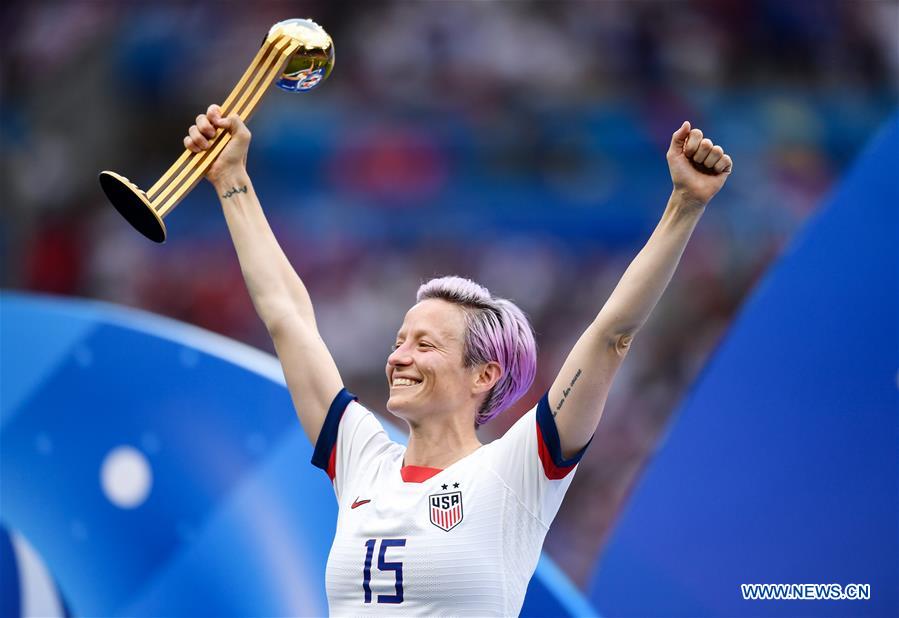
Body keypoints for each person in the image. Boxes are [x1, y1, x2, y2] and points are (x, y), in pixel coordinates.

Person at [184, 104, 732, 615]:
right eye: (400, 340)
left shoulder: (519, 469)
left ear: (484, 375)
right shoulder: (361, 457)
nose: (399, 357)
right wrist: (232, 178)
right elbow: (288, 317)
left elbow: (611, 333)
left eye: (425, 345)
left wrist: (684, 206)